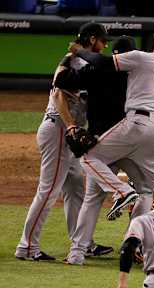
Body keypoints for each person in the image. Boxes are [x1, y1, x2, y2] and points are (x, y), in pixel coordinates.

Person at [14, 22, 104, 261]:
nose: (105, 46)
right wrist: (71, 125)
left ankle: (82, 242)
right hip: (58, 130)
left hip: (65, 131)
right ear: (92, 39)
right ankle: (27, 247)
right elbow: (57, 94)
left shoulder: (80, 62)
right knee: (49, 190)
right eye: (103, 41)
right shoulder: (73, 62)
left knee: (75, 187)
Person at [72, 32, 154, 220]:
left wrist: (79, 51)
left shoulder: (143, 57)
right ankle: (143, 236)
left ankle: (122, 191)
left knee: (88, 157)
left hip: (137, 122)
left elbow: (103, 62)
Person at [54, 35, 139, 265]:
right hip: (133, 143)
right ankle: (136, 247)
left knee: (92, 199)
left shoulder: (97, 70)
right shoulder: (140, 74)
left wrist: (70, 56)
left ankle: (77, 253)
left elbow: (61, 80)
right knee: (145, 191)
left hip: (101, 143)